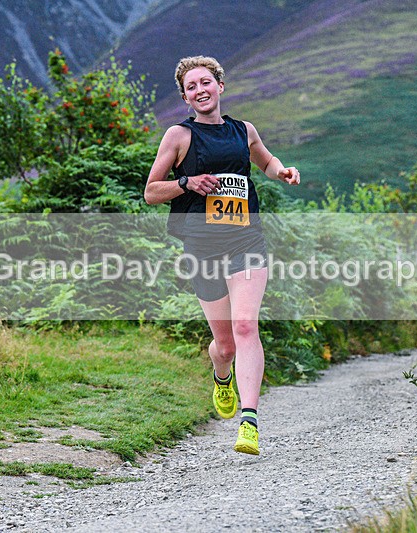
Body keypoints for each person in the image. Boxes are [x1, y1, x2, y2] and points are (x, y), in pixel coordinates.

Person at [144, 56, 300, 455]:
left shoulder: (243, 131)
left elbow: (265, 161)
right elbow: (151, 191)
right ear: (185, 97)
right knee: (226, 344)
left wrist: (281, 171)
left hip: (246, 239)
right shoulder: (178, 136)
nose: (200, 90)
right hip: (202, 247)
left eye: (205, 82)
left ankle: (249, 422)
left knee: (247, 326)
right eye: (191, 86)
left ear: (220, 86)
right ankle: (221, 373)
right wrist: (187, 182)